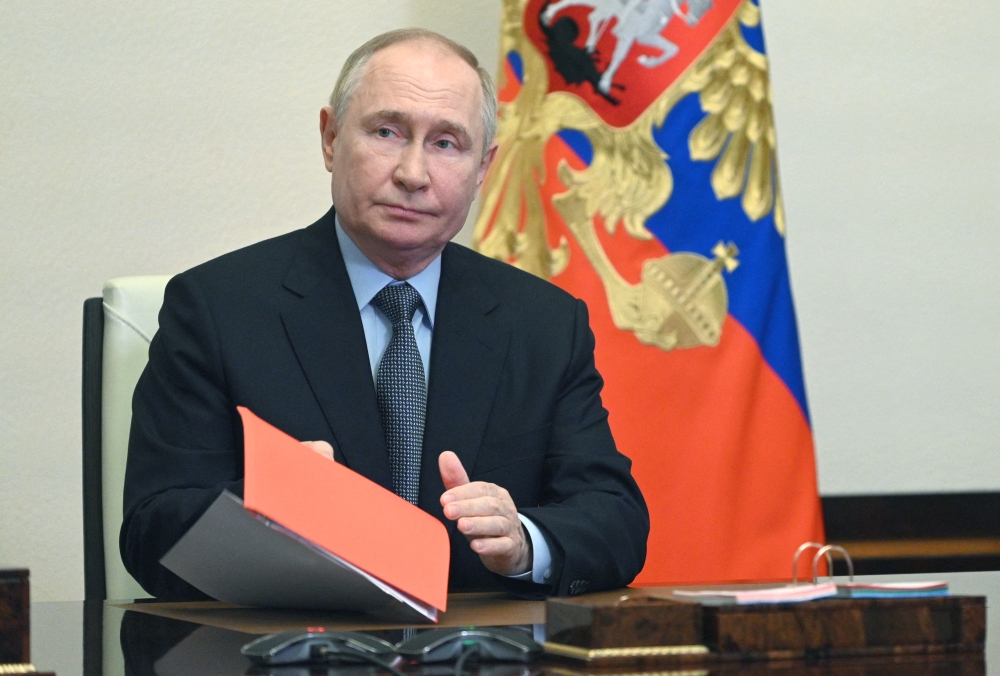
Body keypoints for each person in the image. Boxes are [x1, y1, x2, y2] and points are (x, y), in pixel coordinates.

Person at [121, 28, 649, 599]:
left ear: (482, 168)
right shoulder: (216, 307)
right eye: (387, 132)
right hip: (288, 649)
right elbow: (151, 533)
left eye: (447, 143)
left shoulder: (544, 323)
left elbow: (615, 521)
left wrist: (522, 541)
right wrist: (260, 510)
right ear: (330, 138)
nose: (413, 173)